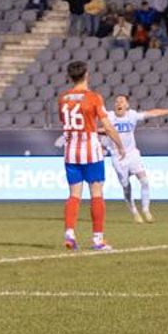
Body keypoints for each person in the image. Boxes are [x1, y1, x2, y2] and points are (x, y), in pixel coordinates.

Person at [58, 60, 126, 251]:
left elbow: (65, 122)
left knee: (74, 195)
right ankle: (97, 239)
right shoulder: (94, 98)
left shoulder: (63, 98)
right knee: (96, 193)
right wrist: (120, 146)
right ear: (87, 74)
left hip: (71, 152)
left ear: (70, 76)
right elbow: (108, 127)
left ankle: (69, 234)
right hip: (91, 152)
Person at [104, 95, 168, 223]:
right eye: (117, 101)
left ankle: (146, 209)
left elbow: (152, 113)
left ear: (127, 105)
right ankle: (134, 212)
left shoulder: (132, 115)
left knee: (144, 181)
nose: (119, 103)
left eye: (122, 101)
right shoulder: (109, 116)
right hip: (117, 156)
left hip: (132, 154)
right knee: (126, 187)